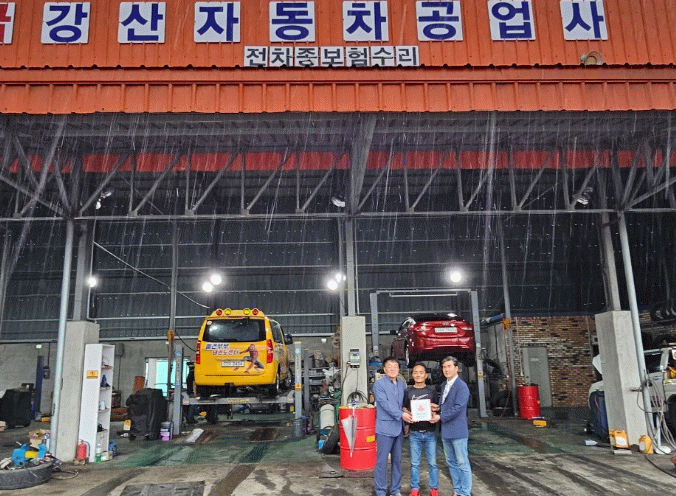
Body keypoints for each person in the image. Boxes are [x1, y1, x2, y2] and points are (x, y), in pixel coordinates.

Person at [373, 356, 412, 496]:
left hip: (399, 428)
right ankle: (380, 491)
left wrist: (406, 418)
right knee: (382, 462)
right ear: (384, 369)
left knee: (397, 461)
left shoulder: (402, 385)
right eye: (389, 366)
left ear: (399, 369)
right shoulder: (378, 385)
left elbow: (402, 405)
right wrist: (401, 415)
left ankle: (396, 490)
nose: (392, 369)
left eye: (395, 366)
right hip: (384, 429)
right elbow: (385, 404)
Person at [403, 363, 439, 496]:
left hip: (430, 432)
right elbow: (404, 407)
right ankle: (415, 489)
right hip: (414, 433)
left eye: (421, 372)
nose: (418, 375)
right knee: (414, 463)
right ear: (412, 375)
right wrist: (408, 413)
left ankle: (434, 489)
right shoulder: (408, 391)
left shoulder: (432, 391)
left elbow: (437, 407)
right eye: (415, 372)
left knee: (432, 463)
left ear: (426, 375)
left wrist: (435, 411)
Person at [438, 356, 472, 496]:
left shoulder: (462, 386)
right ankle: (457, 490)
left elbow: (458, 408)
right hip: (446, 431)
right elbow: (445, 405)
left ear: (456, 368)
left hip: (458, 430)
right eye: (444, 367)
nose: (446, 370)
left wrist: (440, 417)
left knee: (462, 463)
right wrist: (436, 408)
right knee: (451, 462)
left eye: (449, 366)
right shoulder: (444, 385)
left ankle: (465, 492)